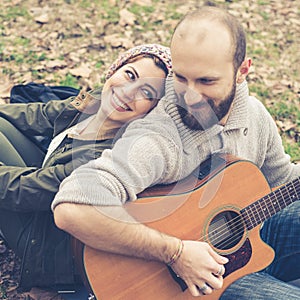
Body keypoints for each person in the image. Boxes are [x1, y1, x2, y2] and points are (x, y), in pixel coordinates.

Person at [52, 5, 300, 300]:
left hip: (250, 241)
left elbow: (282, 181)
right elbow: (72, 209)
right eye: (181, 78)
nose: (190, 95)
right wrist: (176, 253)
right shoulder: (158, 139)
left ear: (242, 72)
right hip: (188, 284)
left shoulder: (254, 116)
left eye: (206, 81)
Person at [0, 43, 172, 292]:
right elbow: (37, 114)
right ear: (115, 69)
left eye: (146, 92)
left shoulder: (110, 156)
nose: (127, 92)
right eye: (130, 75)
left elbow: (24, 190)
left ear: (153, 109)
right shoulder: (95, 102)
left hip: (41, 243)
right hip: (39, 194)